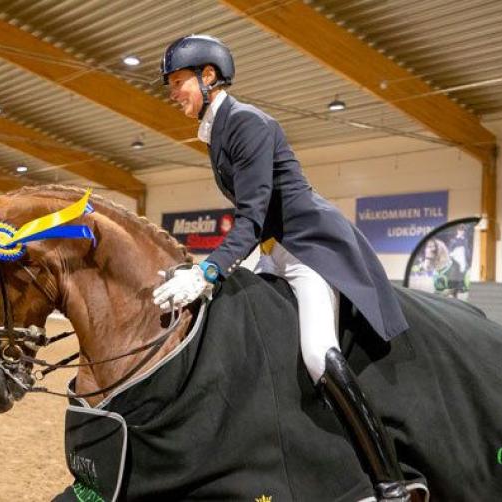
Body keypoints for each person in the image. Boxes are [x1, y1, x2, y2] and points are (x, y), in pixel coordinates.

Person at [152, 35, 410, 500]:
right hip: (274, 247)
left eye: (178, 82)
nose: (173, 94)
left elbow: (250, 215)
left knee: (317, 354)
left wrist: (208, 270)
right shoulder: (216, 131)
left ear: (208, 77)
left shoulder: (248, 123)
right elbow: (256, 222)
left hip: (311, 248)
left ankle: (388, 481)